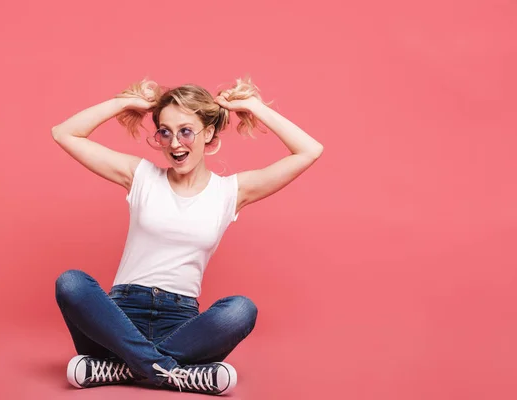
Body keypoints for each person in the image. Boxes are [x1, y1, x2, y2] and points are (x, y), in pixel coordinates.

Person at [52, 77, 323, 395]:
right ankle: (167, 371)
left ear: (208, 133)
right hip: (119, 318)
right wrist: (124, 102)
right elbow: (64, 133)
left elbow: (309, 150)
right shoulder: (141, 176)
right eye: (165, 132)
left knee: (241, 310)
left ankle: (121, 369)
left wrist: (253, 106)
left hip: (181, 326)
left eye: (185, 131)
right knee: (71, 282)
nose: (174, 143)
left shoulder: (230, 192)